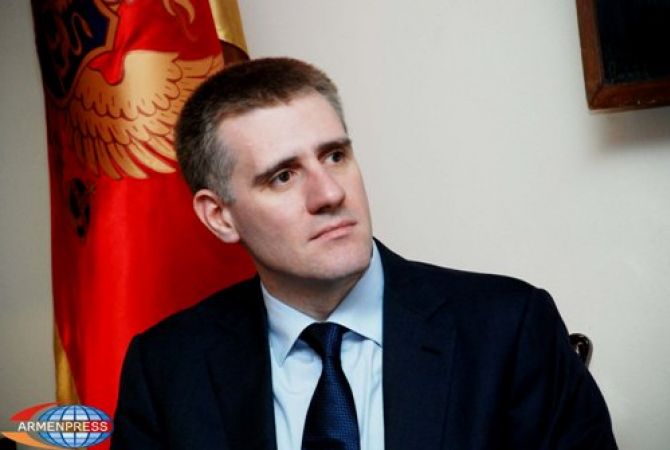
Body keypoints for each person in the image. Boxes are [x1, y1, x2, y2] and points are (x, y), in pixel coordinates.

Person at [111, 57, 617, 450]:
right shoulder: (166, 370)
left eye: (335, 155)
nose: (330, 193)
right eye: (283, 176)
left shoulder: (509, 328)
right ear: (220, 216)